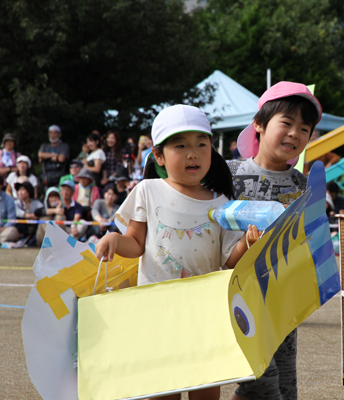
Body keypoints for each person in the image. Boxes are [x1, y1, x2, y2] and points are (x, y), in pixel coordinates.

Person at [95, 104, 257, 400]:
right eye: (180, 145)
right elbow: (135, 241)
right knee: (160, 389)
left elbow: (229, 260)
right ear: (159, 156)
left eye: (201, 144)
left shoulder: (221, 203)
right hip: (156, 310)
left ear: (212, 150)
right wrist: (115, 241)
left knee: (205, 388)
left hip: (204, 311)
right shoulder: (148, 190)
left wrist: (248, 242)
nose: (192, 153)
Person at [229, 81, 322, 400]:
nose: (295, 133)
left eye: (304, 128)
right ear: (259, 124)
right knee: (262, 384)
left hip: (283, 303)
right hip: (238, 298)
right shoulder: (227, 175)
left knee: (285, 386)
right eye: (286, 122)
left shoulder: (305, 186)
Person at [14, 181, 44, 246]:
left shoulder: (36, 203)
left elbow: (42, 210)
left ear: (29, 191)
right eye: (19, 190)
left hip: (34, 230)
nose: (20, 192)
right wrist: (29, 216)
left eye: (22, 190)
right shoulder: (16, 203)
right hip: (22, 229)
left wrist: (36, 215)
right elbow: (17, 212)